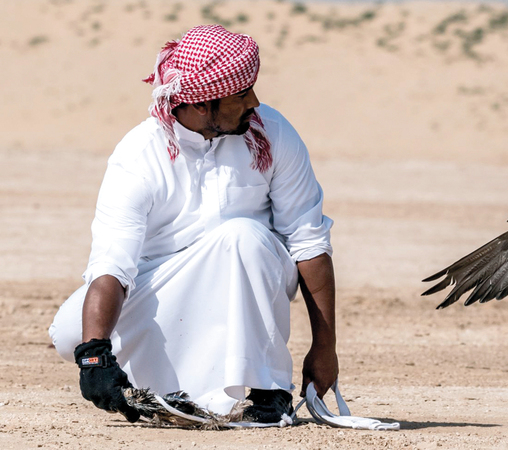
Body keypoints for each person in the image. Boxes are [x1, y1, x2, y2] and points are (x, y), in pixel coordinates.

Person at [49, 24, 338, 423]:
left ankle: (268, 391)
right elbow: (113, 264)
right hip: (167, 283)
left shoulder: (273, 133)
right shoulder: (139, 155)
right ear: (202, 105)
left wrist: (325, 346)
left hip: (253, 279)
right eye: (240, 94)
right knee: (70, 335)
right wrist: (94, 354)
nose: (254, 101)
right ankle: (170, 389)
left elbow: (308, 241)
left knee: (242, 236)